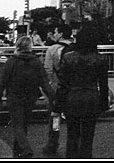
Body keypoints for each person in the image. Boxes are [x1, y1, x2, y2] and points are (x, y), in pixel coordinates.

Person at [53, 26, 110, 159]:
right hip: (91, 97)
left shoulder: (68, 58)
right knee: (88, 136)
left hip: (72, 97)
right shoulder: (100, 59)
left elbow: (63, 84)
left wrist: (58, 105)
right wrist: (103, 104)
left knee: (72, 134)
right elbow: (103, 85)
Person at [0, 35, 54, 158]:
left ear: (17, 47)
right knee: (24, 123)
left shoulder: (11, 62)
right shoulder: (36, 62)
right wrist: (52, 97)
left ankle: (25, 149)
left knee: (17, 124)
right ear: (30, 47)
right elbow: (44, 81)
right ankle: (18, 150)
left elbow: (2, 81)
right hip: (30, 97)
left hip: (14, 96)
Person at [42, 24, 74, 156]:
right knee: (73, 118)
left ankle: (53, 142)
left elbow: (48, 70)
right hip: (73, 88)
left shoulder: (52, 49)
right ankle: (73, 144)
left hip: (58, 88)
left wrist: (48, 86)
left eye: (55, 32)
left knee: (55, 117)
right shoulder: (75, 48)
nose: (54, 34)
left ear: (60, 34)